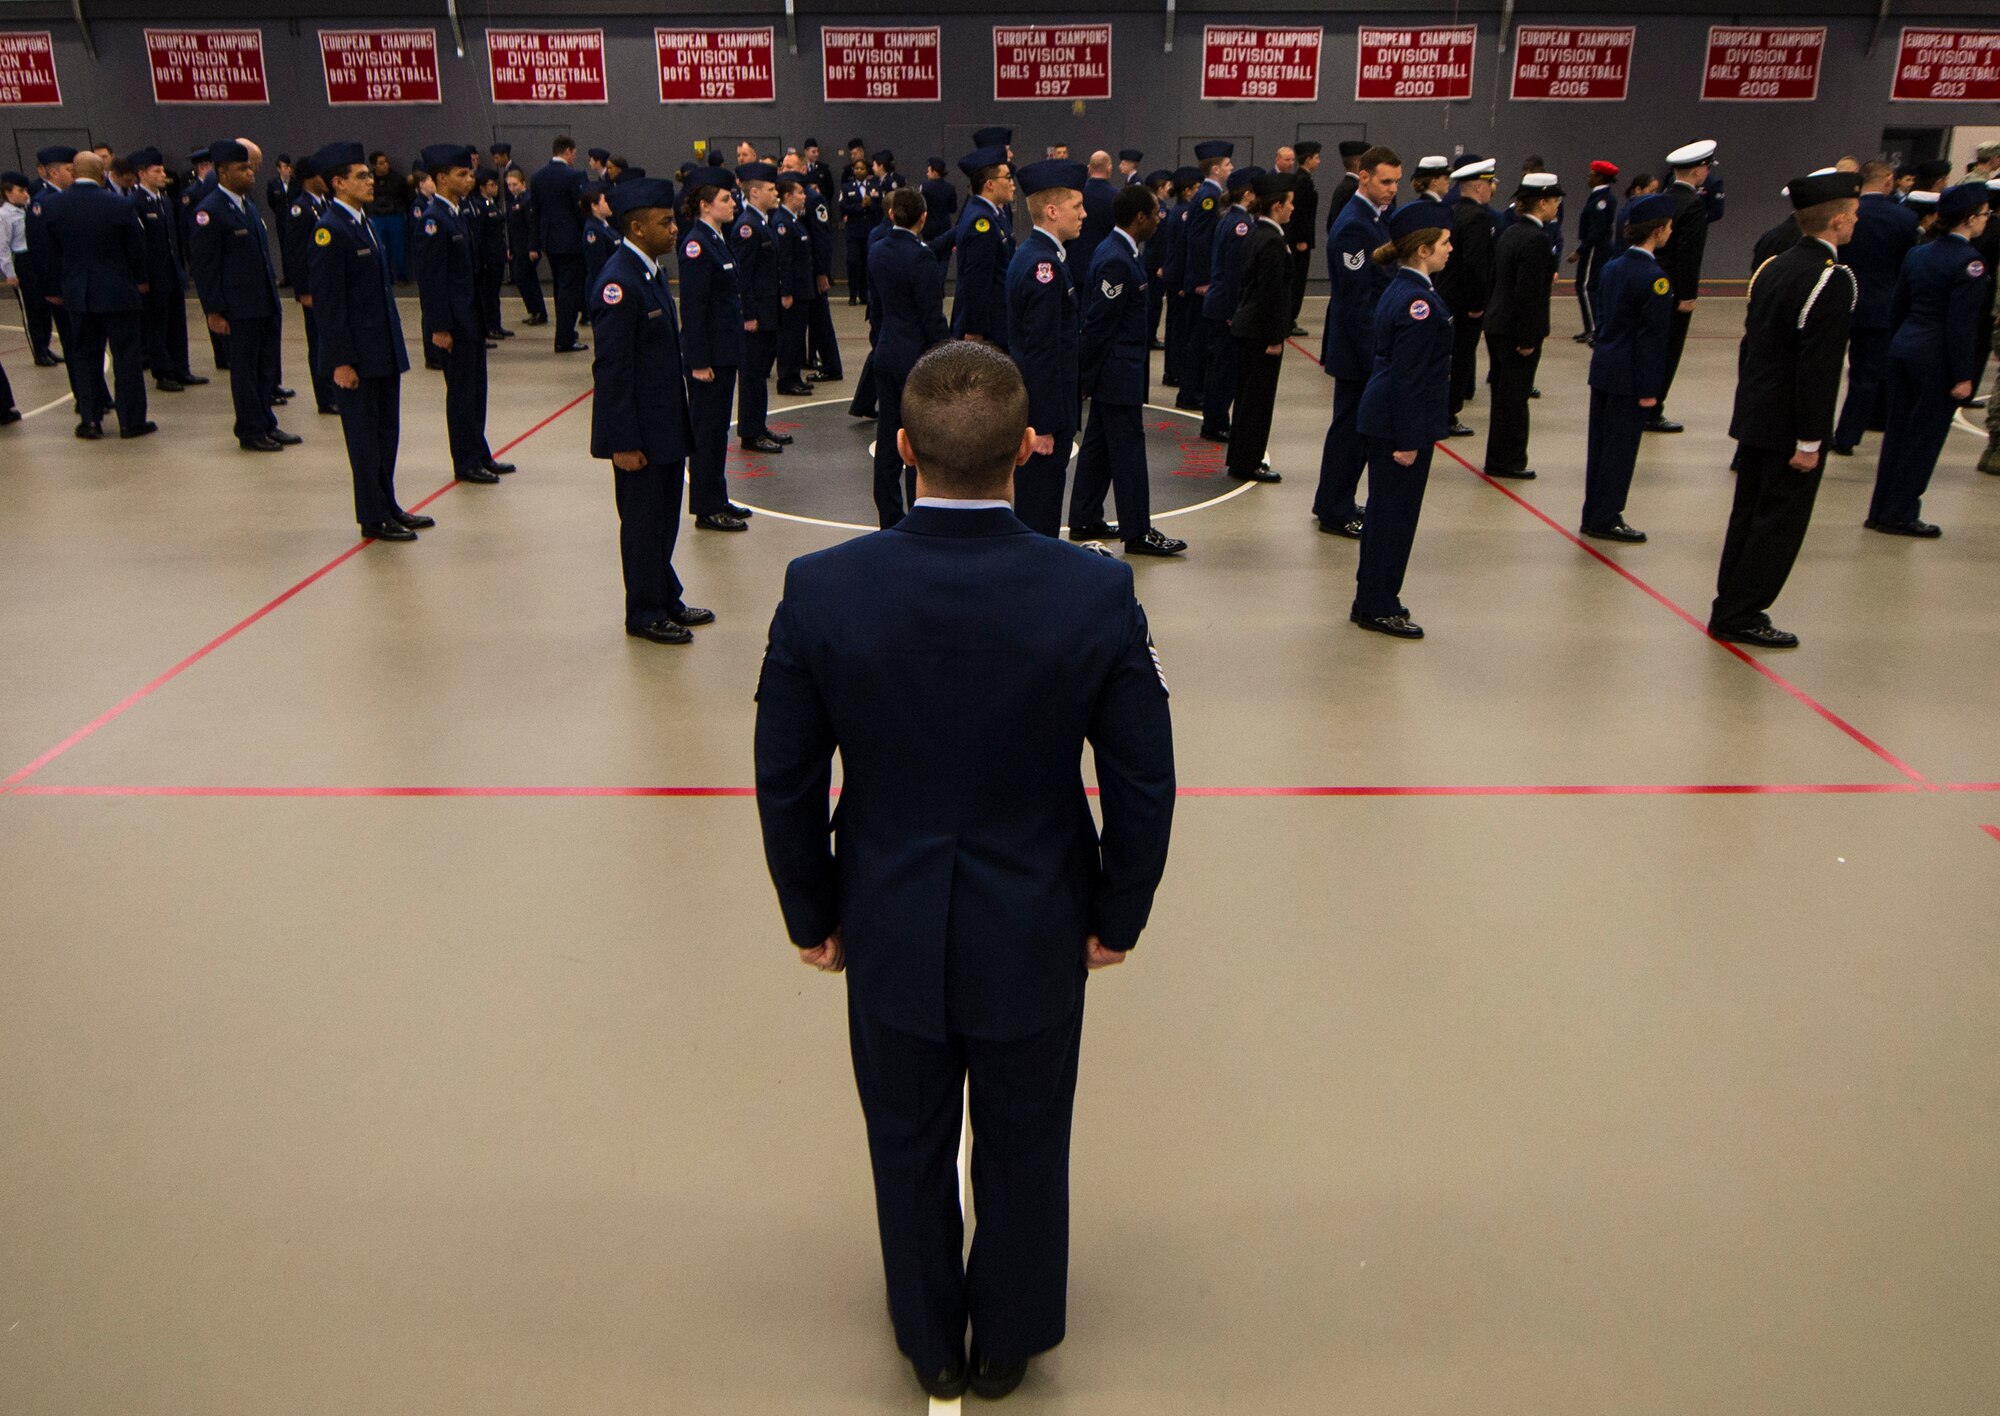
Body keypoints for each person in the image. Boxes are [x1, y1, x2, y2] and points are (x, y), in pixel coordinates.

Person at [752, 337, 1175, 1405]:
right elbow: (1141, 779)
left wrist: (811, 910)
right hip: (1036, 915)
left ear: (901, 450)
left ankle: (929, 1334)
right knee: (1026, 1136)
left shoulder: (820, 590)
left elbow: (786, 777)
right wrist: (1115, 912)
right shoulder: (1092, 591)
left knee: (905, 1134)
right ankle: (1010, 1339)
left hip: (886, 911)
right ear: (1028, 451)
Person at [1707, 170, 1861, 649]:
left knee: (1747, 517)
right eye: (1853, 215)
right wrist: (1811, 439)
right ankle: (1744, 613)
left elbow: (1754, 347)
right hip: (1790, 425)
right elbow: (1818, 367)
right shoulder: (1831, 280)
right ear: (1837, 220)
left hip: (1757, 413)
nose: (1856, 222)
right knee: (1778, 526)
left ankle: (1729, 603)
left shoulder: (1772, 267)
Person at [586, 177, 710, 645]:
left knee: (663, 519)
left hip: (663, 424)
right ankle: (643, 612)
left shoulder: (649, 272)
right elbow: (613, 372)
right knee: (641, 525)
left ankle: (664, 595)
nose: (674, 229)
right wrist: (623, 442)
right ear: (636, 228)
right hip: (638, 431)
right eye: (664, 222)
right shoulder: (619, 283)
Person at [1351, 204, 1455, 640]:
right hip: (1400, 422)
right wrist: (1410, 439)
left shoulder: (1402, 288)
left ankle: (1371, 598)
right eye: (1445, 243)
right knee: (1395, 518)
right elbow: (1410, 378)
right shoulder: (1419, 303)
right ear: (1424, 249)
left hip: (1386, 413)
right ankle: (1379, 604)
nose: (1451, 250)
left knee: (1383, 514)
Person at [1866, 183, 1990, 537]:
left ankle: (1880, 510)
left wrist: (1895, 347)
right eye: (1983, 215)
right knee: (1923, 440)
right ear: (1968, 220)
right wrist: (1964, 375)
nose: (1986, 220)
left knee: (1898, 434)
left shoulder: (1918, 253)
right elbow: (1961, 325)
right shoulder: (1970, 263)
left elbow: (1898, 308)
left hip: (1905, 348)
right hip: (1936, 358)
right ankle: (1901, 513)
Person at [308, 141, 418, 540]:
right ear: (338, 183)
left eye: (370, 175)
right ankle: (372, 516)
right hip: (356, 355)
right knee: (364, 439)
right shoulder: (329, 230)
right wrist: (340, 361)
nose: (370, 181)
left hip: (382, 349)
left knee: (387, 433)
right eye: (361, 176)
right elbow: (329, 304)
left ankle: (388, 504)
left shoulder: (362, 221)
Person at [1070, 183, 1187, 554]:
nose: (1159, 219)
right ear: (1140, 218)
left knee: (1098, 448)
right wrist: (1086, 377)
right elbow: (1099, 324)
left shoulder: (1121, 250)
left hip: (1116, 370)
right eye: (1155, 213)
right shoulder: (1116, 259)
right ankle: (1138, 532)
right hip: (1116, 373)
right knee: (1129, 454)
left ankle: (1085, 517)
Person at [1312, 145, 1400, 539]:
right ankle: (1335, 509)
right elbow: (1356, 301)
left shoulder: (1374, 218)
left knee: (1351, 429)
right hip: (1358, 348)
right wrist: (1374, 356)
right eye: (1385, 181)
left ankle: (1334, 499)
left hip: (1362, 344)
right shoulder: (1355, 225)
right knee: (1350, 431)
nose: (1392, 189)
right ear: (1363, 177)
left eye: (1396, 182)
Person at [413, 144, 513, 489]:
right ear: (441, 178)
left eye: (470, 173)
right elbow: (432, 280)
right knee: (460, 395)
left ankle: (479, 451)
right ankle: (465, 460)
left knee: (476, 391)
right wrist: (439, 327)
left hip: (470, 319)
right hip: (453, 323)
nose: (469, 179)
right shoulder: (433, 221)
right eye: (461, 174)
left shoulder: (457, 212)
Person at [1581, 193, 1677, 542]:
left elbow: (1604, 318)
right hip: (1631, 377)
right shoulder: (1655, 278)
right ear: (1659, 231)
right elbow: (1652, 341)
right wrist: (1651, 391)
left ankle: (1593, 511)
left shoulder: (1612, 267)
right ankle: (1607, 517)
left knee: (1600, 447)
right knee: (1620, 452)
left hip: (1605, 367)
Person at [189, 140, 293, 453]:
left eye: (250, 167)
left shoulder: (245, 204)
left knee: (264, 369)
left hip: (262, 302)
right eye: (242, 168)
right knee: (245, 372)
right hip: (238, 307)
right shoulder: (210, 211)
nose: (250, 174)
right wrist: (215, 311)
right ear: (222, 172)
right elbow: (206, 267)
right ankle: (249, 430)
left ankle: (266, 423)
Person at [41, 150, 152, 440]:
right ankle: (131, 421)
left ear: (74, 174)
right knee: (126, 358)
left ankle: (90, 420)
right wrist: (140, 280)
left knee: (85, 357)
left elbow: (49, 253)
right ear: (102, 173)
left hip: (78, 293)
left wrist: (56, 288)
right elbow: (136, 248)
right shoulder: (119, 205)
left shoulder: (53, 207)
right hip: (117, 291)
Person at [1005, 159, 1087, 536]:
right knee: (1040, 511)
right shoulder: (1044, 266)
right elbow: (1040, 352)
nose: (1084, 214)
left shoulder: (1038, 255)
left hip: (1046, 411)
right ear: (1052, 211)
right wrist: (1044, 425)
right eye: (1076, 206)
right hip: (1044, 419)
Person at [865, 186, 948, 527]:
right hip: (916, 359)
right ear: (923, 217)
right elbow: (931, 315)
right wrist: (946, 354)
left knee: (888, 439)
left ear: (891, 215)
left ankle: (888, 513)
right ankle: (919, 511)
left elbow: (877, 306)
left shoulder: (877, 250)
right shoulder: (922, 257)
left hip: (886, 351)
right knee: (918, 441)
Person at [677, 168, 753, 532]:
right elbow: (693, 308)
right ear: (705, 205)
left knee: (718, 429)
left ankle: (718, 495)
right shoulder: (696, 245)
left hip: (724, 351)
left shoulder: (716, 239)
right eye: (725, 199)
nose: (733, 203)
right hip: (709, 359)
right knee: (706, 432)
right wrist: (699, 361)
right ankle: (706, 507)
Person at [1831, 160, 1920, 456]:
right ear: (1888, 180)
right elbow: (1906, 265)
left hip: (1839, 300)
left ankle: (1811, 430)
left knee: (1823, 371)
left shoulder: (1844, 213)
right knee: (1866, 377)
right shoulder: (1905, 219)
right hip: (1880, 306)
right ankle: (1847, 435)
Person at [1482, 172, 1562, 480]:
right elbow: (1529, 293)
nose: (1556, 207)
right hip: (1517, 330)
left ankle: (1497, 457)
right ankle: (1509, 460)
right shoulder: (1536, 240)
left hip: (1498, 324)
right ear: (1542, 203)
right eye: (1554, 201)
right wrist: (1528, 336)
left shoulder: (1510, 232)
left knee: (1503, 398)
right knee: (1515, 399)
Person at [1227, 171, 1297, 489]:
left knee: (1245, 398)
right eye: (1290, 203)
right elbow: (1271, 294)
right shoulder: (1271, 240)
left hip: (1247, 324)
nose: (1293, 208)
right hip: (1259, 331)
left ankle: (1241, 457)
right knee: (1257, 400)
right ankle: (1249, 461)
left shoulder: (1257, 232)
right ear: (1277, 205)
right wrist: (1274, 337)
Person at [1650, 140, 1716, 433]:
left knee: (1652, 347)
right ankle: (1654, 409)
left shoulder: (1661, 199)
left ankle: (1645, 403)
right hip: (1675, 286)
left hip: (1653, 280)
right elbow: (1689, 255)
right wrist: (1688, 295)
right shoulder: (1692, 206)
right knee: (1669, 350)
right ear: (1699, 171)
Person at [127, 150, 206, 394]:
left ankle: (181, 368)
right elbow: (137, 244)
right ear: (142, 174)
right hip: (153, 276)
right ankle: (163, 372)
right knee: (157, 326)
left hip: (172, 272)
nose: (163, 175)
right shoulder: (136, 202)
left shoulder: (163, 200)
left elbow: (174, 239)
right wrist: (141, 278)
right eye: (156, 171)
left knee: (177, 323)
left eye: (162, 170)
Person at [1198, 166, 1261, 444]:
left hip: (1219, 303)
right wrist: (1237, 312)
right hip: (1225, 306)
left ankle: (1215, 419)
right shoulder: (1240, 224)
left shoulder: (1232, 218)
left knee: (1219, 368)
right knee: (1223, 371)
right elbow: (1236, 272)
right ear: (1248, 194)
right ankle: (1215, 422)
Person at [731, 161, 787, 457]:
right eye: (770, 189)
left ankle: (759, 425)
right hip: (756, 316)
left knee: (760, 374)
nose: (775, 193)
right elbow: (744, 276)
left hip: (768, 313)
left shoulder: (762, 221)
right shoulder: (747, 228)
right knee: (752, 376)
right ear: (754, 192)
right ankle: (750, 433)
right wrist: (749, 314)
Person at [1437, 155, 1496, 437]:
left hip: (1446, 295)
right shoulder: (1477, 218)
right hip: (1464, 302)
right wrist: (1476, 304)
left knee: (1447, 357)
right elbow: (1475, 265)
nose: (1492, 188)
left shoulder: (1453, 211)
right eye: (1489, 183)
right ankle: (1448, 414)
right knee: (1460, 359)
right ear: (1479, 187)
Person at [278, 154, 338, 416]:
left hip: (328, 287)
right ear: (309, 179)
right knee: (319, 343)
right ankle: (325, 397)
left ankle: (334, 389)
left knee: (331, 340)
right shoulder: (300, 209)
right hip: (313, 289)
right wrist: (303, 290)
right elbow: (296, 254)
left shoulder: (323, 205)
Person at [1175, 141, 1232, 413]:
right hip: (1202, 280)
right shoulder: (1208, 195)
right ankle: (1190, 392)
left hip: (1201, 277)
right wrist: (1202, 280)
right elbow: (1198, 240)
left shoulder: (1210, 193)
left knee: (1198, 339)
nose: (1231, 169)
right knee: (1198, 340)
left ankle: (1193, 390)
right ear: (1216, 168)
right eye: (1228, 164)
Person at [950, 145, 1015, 346]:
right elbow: (977, 281)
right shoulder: (982, 223)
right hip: (989, 327)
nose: (1012, 184)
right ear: (990, 184)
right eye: (1007, 177)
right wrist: (975, 330)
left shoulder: (994, 214)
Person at [531, 137, 589, 353]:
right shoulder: (574, 176)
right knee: (570, 291)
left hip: (550, 241)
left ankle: (564, 332)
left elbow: (535, 213)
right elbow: (580, 211)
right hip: (571, 241)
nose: (575, 157)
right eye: (574, 153)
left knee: (559, 289)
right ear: (567, 151)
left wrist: (535, 243)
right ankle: (565, 337)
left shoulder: (538, 177)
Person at [22, 146, 75, 374]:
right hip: (61, 285)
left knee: (87, 343)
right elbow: (42, 251)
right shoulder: (41, 204)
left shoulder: (72, 197)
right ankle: (85, 398)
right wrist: (52, 289)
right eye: (69, 169)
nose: (74, 174)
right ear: (54, 173)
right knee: (72, 343)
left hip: (78, 280)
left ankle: (98, 393)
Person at [772, 175, 816, 396]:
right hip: (794, 292)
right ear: (788, 195)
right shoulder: (782, 222)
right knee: (789, 337)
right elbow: (784, 260)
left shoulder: (793, 220)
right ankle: (786, 379)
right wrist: (786, 291)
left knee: (797, 336)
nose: (803, 196)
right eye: (799, 193)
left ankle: (794, 376)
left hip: (802, 288)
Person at [1570, 160, 1619, 343]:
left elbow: (1597, 230)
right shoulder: (1599, 197)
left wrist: (1580, 251)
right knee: (1587, 286)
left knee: (1586, 286)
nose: (1588, 178)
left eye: (1591, 175)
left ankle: (1593, 328)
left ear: (1600, 177)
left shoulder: (1601, 200)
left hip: (1595, 248)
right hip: (1595, 246)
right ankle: (1591, 327)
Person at [800, 175, 842, 381]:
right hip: (805, 271)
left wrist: (822, 272)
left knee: (820, 319)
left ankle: (832, 365)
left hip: (814, 271)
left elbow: (822, 238)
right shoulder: (796, 198)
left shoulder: (814, 199)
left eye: (790, 167)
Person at [1158, 168, 1196, 386]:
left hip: (1174, 274)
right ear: (1188, 191)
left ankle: (1173, 370)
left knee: (1176, 326)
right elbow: (1182, 250)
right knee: (1178, 329)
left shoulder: (1180, 211)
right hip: (1178, 277)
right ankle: (1174, 371)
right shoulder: (1184, 213)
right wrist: (1183, 281)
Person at [470, 169, 512, 340]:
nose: (495, 188)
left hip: (497, 254)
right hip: (488, 256)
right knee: (488, 295)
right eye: (491, 185)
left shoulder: (490, 203)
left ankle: (496, 324)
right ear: (482, 187)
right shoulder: (480, 205)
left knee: (494, 293)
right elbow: (479, 235)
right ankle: (490, 326)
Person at [502, 168, 548, 327]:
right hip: (518, 247)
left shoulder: (527, 200)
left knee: (523, 277)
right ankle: (536, 311)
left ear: (523, 183)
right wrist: (510, 248)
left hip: (528, 247)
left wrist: (534, 247)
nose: (512, 188)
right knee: (526, 278)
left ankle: (537, 311)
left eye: (515, 184)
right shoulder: (514, 201)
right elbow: (512, 228)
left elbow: (532, 226)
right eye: (509, 185)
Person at [1285, 142, 1322, 335]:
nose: (1319, 161)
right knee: (1297, 280)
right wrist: (1301, 239)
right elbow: (1301, 214)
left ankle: (1290, 317)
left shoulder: (1301, 179)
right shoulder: (1303, 181)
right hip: (1300, 240)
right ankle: (1289, 318)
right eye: (1316, 157)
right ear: (1308, 159)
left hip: (1300, 237)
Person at [364, 152, 410, 282]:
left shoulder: (398, 179)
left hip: (395, 217)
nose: (385, 165)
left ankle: (402, 276)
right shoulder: (369, 180)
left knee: (399, 249)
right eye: (381, 163)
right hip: (378, 217)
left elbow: (406, 197)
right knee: (382, 249)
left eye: (386, 162)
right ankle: (386, 277)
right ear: (374, 165)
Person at [1077, 152, 1119, 283]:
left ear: (1089, 168)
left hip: (1078, 266)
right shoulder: (1118, 197)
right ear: (1109, 168)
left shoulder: (1077, 194)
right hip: (1107, 263)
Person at [581, 182, 616, 290]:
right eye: (604, 201)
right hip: (603, 285)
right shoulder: (593, 230)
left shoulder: (604, 225)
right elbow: (598, 265)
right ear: (594, 206)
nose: (608, 204)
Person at [919, 159, 956, 242]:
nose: (927, 174)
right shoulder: (950, 188)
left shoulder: (925, 187)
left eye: (928, 171)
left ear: (934, 172)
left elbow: (919, 205)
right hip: (944, 227)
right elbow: (953, 209)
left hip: (929, 227)